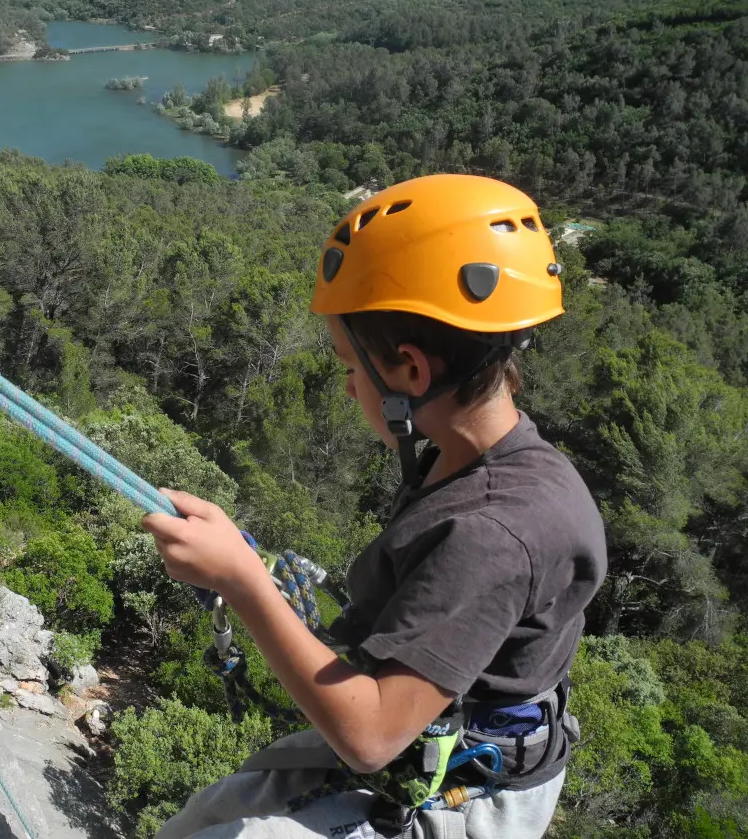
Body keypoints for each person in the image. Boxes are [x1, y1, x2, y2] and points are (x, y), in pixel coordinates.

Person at [141, 174, 607, 839]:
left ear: (412, 373)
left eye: (348, 367)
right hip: (433, 746)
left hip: (452, 790)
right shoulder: (475, 456)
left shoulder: (493, 532)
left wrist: (240, 582)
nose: (348, 386)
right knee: (202, 821)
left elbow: (372, 736)